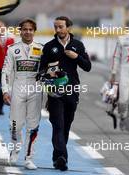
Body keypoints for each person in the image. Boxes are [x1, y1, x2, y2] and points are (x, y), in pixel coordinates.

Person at [39, 16, 91, 171]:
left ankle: (57, 157)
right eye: (56, 27)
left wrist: (77, 57)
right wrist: (49, 74)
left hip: (72, 90)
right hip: (55, 91)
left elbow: (88, 66)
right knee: (58, 125)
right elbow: (41, 70)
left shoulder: (78, 45)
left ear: (68, 27)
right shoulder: (49, 46)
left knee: (66, 125)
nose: (58, 30)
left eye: (61, 26)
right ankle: (62, 157)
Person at [1, 19, 43, 170]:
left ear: (34, 31)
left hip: (35, 89)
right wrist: (5, 90)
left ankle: (29, 158)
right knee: (15, 125)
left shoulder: (41, 49)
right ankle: (15, 148)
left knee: (33, 126)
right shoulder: (12, 49)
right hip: (17, 87)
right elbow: (5, 71)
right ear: (20, 31)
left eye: (30, 29)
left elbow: (48, 70)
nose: (27, 32)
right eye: (25, 29)